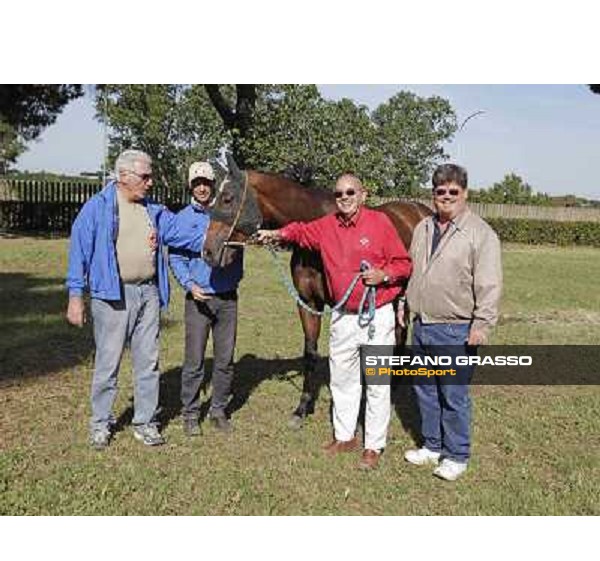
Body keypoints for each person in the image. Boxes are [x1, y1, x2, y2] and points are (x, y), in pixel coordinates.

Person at [257, 174, 412, 470]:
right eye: (339, 192)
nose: (344, 197)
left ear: (363, 195)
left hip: (375, 315)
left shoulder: (380, 223)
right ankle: (345, 437)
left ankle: (373, 445)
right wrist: (275, 234)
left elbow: (403, 263)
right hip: (342, 317)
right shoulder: (327, 226)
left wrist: (384, 275)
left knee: (377, 383)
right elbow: (300, 232)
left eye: (350, 192)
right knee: (342, 379)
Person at [66, 149, 206, 450]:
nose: (150, 181)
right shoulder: (97, 207)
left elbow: (182, 233)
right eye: (145, 176)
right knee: (108, 362)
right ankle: (100, 424)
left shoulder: (153, 209)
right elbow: (79, 252)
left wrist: (222, 235)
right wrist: (75, 296)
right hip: (112, 295)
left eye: (150, 175)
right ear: (124, 176)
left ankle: (146, 423)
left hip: (149, 293)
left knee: (148, 361)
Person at [404, 163, 502, 481]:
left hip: (455, 329)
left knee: (453, 395)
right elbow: (413, 271)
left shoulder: (480, 234)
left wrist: (481, 324)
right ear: (433, 194)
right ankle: (432, 446)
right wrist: (405, 306)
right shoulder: (423, 228)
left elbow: (489, 283)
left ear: (465, 193)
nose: (446, 196)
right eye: (440, 191)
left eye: (452, 191)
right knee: (425, 390)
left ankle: (457, 455)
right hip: (422, 324)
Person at [169, 162, 243, 436]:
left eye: (206, 182)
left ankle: (218, 410)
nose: (201, 187)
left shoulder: (227, 213)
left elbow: (243, 240)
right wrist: (189, 284)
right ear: (190, 185)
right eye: (196, 182)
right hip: (198, 299)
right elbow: (175, 256)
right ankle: (190, 414)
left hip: (227, 298)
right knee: (194, 360)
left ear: (213, 184)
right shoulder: (182, 218)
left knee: (225, 360)